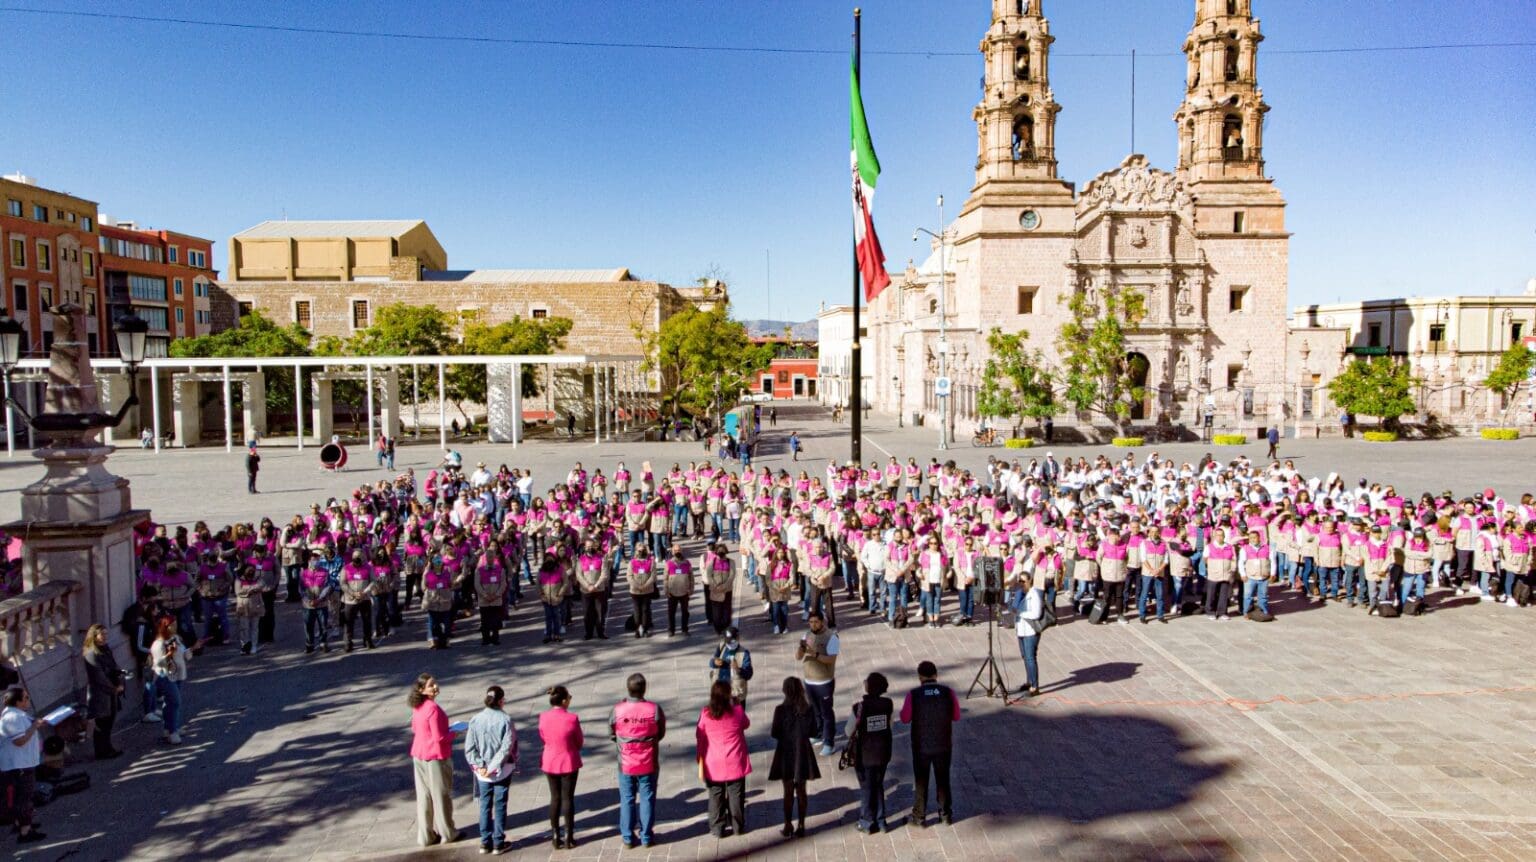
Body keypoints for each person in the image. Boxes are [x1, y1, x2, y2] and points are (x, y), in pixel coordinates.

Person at [899, 660, 961, 827]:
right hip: (943, 744)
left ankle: (919, 816)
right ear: (936, 675)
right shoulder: (948, 692)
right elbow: (956, 716)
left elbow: (905, 718)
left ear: (920, 677)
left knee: (921, 781)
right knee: (943, 779)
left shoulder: (913, 694)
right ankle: (946, 814)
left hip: (921, 746)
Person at [609, 672, 666, 848]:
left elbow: (612, 733)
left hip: (625, 762)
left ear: (628, 689)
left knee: (627, 799)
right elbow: (660, 732)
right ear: (644, 689)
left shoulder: (618, 709)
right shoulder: (654, 709)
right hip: (648, 762)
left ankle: (627, 837)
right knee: (647, 798)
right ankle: (646, 836)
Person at [465, 685, 518, 855]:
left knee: (484, 805)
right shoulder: (506, 720)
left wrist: (480, 766)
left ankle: (484, 841)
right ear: (501, 701)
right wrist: (494, 767)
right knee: (500, 804)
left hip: (481, 774)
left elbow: (470, 748)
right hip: (502, 770)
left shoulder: (475, 719)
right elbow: (506, 747)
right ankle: (498, 842)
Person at [408, 673, 459, 848]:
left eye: (435, 683)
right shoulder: (433, 709)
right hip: (436, 756)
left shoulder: (417, 707)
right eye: (431, 685)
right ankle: (448, 832)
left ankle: (426, 836)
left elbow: (415, 728)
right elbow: (440, 737)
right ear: (422, 690)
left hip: (419, 754)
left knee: (424, 797)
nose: (435, 687)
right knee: (441, 795)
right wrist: (455, 733)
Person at [695, 680, 751, 839]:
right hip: (735, 761)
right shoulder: (736, 712)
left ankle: (717, 828)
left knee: (715, 795)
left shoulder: (706, 714)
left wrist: (699, 758)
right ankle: (737, 826)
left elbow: (699, 736)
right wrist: (738, 704)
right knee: (736, 795)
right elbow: (746, 724)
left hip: (713, 762)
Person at [768, 677, 820, 838]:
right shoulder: (808, 709)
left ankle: (787, 823)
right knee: (802, 791)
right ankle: (802, 824)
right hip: (803, 753)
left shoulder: (780, 710)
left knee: (788, 791)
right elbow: (813, 732)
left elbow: (774, 732)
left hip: (785, 754)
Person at [0, 686, 47, 844]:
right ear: (18, 702)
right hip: (18, 765)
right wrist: (34, 727)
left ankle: (21, 823)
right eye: (25, 698)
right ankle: (25, 832)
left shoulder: (17, 715)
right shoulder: (12, 718)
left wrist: (34, 724)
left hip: (20, 763)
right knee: (23, 798)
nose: (28, 700)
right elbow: (19, 741)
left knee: (21, 797)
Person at [849, 672, 894, 834]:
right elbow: (891, 725)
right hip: (883, 752)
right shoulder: (888, 703)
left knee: (867, 787)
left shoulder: (859, 707)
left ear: (869, 687)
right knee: (878, 784)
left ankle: (867, 821)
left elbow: (849, 731)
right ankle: (882, 821)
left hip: (865, 755)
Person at [539, 685, 583, 850]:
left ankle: (555, 835)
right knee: (568, 798)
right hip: (568, 761)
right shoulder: (572, 718)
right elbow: (579, 741)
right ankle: (569, 837)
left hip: (550, 761)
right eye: (569, 697)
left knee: (555, 798)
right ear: (564, 701)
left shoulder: (543, 717)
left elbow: (543, 737)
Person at [797, 611, 839, 756]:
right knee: (815, 710)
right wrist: (801, 649)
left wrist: (814, 654)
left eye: (816, 622)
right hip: (809, 680)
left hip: (824, 681)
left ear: (822, 622)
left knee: (827, 713)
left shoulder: (831, 637)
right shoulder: (806, 635)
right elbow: (798, 657)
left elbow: (831, 660)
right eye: (811, 622)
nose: (813, 625)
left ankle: (829, 742)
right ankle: (818, 733)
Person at [81, 623, 125, 760]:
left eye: (106, 634)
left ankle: (108, 747)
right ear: (94, 636)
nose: (105, 637)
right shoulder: (91, 654)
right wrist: (113, 688)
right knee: (102, 723)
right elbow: (98, 676)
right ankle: (101, 751)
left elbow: (113, 665)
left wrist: (120, 677)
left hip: (111, 690)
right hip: (100, 693)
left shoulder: (105, 649)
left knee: (110, 720)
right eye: (102, 634)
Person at [149, 615, 189, 745]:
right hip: (164, 676)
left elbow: (184, 654)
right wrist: (168, 654)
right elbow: (158, 663)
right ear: (165, 627)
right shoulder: (158, 644)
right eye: (172, 625)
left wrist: (191, 649)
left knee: (170, 703)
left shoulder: (175, 639)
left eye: (176, 624)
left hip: (178, 674)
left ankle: (170, 727)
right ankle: (172, 732)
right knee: (175, 701)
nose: (175, 627)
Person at [1013, 583, 1046, 696]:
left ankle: (1035, 686)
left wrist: (1021, 613)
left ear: (1029, 581)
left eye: (1023, 581)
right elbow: (1013, 607)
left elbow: (1036, 614)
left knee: (1030, 657)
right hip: (1021, 630)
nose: (1021, 584)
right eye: (1020, 582)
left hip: (1030, 631)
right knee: (1025, 656)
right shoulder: (1020, 594)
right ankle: (1029, 681)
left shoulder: (1035, 594)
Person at [709, 627, 753, 705]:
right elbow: (711, 662)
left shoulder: (744, 653)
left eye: (732, 642)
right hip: (720, 692)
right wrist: (715, 662)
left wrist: (738, 669)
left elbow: (748, 674)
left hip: (735, 694)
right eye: (727, 642)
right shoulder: (721, 646)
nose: (729, 645)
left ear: (738, 638)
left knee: (737, 717)